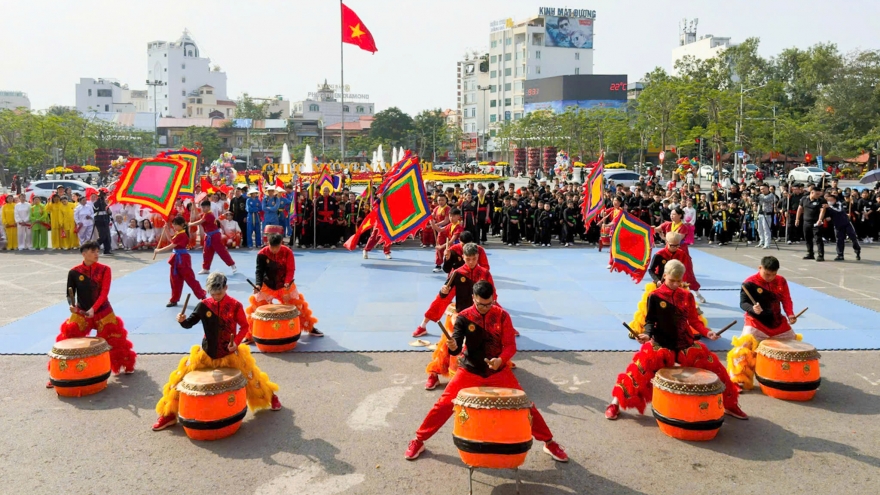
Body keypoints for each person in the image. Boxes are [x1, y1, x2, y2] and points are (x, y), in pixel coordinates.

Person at [405, 280, 569, 462]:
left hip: (498, 371)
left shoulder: (502, 316)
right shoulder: (464, 316)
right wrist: (452, 346)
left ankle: (549, 442)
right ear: (473, 298)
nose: (485, 308)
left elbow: (510, 345)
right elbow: (456, 346)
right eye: (481, 304)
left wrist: (501, 360)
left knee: (525, 405)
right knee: (443, 405)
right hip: (470, 370)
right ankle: (419, 439)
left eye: (489, 303)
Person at [605, 259, 747, 421]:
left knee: (717, 370)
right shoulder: (655, 296)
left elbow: (694, 321)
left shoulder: (687, 296)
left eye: (678, 281)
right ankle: (615, 403)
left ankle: (730, 404)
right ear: (664, 276)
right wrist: (647, 334)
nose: (675, 284)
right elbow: (650, 321)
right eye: (672, 280)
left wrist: (708, 333)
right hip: (661, 344)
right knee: (638, 371)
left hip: (686, 344)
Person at [152, 272, 281, 431]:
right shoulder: (204, 305)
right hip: (206, 352)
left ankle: (271, 396)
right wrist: (182, 320)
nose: (216, 296)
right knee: (179, 379)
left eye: (219, 293)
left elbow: (245, 327)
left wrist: (237, 343)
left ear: (226, 288)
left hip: (230, 352)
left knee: (251, 376)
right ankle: (168, 414)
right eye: (213, 293)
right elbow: (189, 324)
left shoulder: (235, 305)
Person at [52, 242, 137, 387]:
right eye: (93, 251)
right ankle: (59, 373)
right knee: (67, 338)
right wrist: (72, 307)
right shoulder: (74, 272)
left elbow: (104, 293)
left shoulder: (105, 270)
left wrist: (94, 309)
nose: (97, 254)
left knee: (115, 339)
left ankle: (126, 365)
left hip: (103, 310)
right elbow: (69, 294)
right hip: (81, 312)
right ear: (84, 253)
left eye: (98, 251)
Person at [416, 243, 497, 388]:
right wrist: (443, 292)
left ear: (478, 257)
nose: (471, 262)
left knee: (492, 343)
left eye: (474, 258)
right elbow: (443, 295)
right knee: (448, 345)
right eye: (468, 259)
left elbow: (493, 297)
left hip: (481, 316)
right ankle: (434, 374)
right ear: (463, 257)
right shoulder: (457, 273)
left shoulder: (485, 274)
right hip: (461, 316)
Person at [727, 256, 798, 390]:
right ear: (760, 268)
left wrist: (790, 314)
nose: (769, 277)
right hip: (756, 322)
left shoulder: (781, 281)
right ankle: (737, 380)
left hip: (777, 321)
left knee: (794, 345)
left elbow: (786, 299)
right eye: (766, 274)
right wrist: (752, 308)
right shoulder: (749, 283)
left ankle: (789, 375)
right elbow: (743, 303)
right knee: (742, 349)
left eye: (773, 275)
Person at [244, 234, 322, 339]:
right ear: (268, 244)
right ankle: (249, 334)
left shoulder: (287, 252)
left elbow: (291, 269)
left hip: (285, 286)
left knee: (299, 306)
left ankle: (310, 328)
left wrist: (287, 282)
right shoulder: (262, 254)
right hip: (267, 285)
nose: (275, 250)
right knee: (256, 308)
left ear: (281, 244)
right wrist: (258, 284)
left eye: (277, 247)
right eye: (272, 247)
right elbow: (259, 271)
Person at [154, 216, 207, 307]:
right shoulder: (178, 234)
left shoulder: (182, 235)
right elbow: (172, 240)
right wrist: (166, 230)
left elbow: (172, 245)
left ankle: (202, 295)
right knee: (175, 281)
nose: (174, 227)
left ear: (182, 225)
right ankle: (174, 299)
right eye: (173, 225)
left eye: (176, 225)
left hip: (182, 259)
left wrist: (159, 251)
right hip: (175, 259)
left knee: (190, 279)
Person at [657, 208, 705, 302]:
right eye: (671, 214)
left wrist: (664, 238)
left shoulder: (683, 227)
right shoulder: (667, 224)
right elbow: (655, 229)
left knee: (687, 276)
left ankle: (697, 294)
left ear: (680, 215)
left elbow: (676, 240)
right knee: (663, 272)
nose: (671, 216)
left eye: (674, 214)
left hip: (681, 254)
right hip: (669, 253)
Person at [190, 200, 237, 274]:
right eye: (202, 207)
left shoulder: (209, 215)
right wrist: (193, 204)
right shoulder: (205, 214)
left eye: (205, 207)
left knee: (221, 251)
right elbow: (198, 215)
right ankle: (206, 268)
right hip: (208, 236)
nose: (203, 209)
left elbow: (200, 222)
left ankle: (232, 264)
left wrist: (190, 224)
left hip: (215, 236)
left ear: (209, 207)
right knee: (206, 253)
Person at [819, 192, 861, 261]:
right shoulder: (827, 207)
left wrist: (830, 207)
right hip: (837, 225)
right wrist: (825, 217)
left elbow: (838, 210)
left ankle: (857, 251)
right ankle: (840, 254)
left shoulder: (839, 204)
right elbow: (826, 216)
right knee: (839, 240)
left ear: (835, 200)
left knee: (853, 238)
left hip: (847, 224)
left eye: (831, 200)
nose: (830, 201)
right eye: (828, 200)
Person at [796, 185, 826, 261]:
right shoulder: (804, 199)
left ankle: (820, 255)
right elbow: (800, 209)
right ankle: (810, 253)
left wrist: (820, 220)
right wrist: (797, 219)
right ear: (812, 192)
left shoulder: (821, 200)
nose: (818, 196)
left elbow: (822, 211)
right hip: (806, 222)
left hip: (816, 223)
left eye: (819, 194)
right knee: (807, 238)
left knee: (818, 239)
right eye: (817, 194)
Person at [433, 208, 463, 273]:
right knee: (450, 266)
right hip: (451, 248)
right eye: (450, 216)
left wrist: (441, 247)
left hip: (458, 250)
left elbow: (451, 241)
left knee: (456, 266)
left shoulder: (459, 227)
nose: (451, 218)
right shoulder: (450, 225)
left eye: (453, 216)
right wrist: (432, 224)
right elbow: (439, 230)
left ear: (458, 216)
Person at [755, 184, 777, 249]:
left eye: (764, 188)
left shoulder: (771, 195)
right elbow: (757, 201)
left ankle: (767, 243)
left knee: (766, 229)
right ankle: (762, 241)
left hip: (767, 214)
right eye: (761, 189)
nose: (762, 190)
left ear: (767, 188)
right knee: (759, 229)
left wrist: (757, 195)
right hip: (760, 214)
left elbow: (765, 200)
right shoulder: (761, 195)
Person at [93, 190, 113, 255]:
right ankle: (93, 247)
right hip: (99, 221)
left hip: (106, 220)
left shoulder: (105, 203)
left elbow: (109, 211)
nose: (105, 197)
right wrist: (100, 199)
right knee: (103, 236)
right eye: (104, 196)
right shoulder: (97, 202)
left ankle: (107, 250)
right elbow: (96, 208)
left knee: (107, 236)